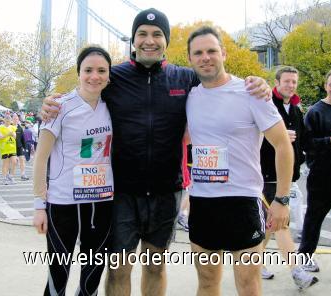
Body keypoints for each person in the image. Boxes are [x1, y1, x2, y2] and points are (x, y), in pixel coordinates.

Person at [41, 8, 271, 296]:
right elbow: (86, 89)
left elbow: (220, 79)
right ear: (133, 40)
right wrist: (52, 102)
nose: (149, 40)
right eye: (142, 34)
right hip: (123, 193)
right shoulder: (115, 78)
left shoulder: (185, 78)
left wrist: (257, 83)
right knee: (119, 268)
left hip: (166, 192)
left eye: (157, 34)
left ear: (166, 40)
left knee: (154, 266)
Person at [186, 26, 293, 296]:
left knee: (248, 285)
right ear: (190, 59)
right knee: (207, 283)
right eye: (198, 53)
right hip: (202, 202)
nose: (205, 57)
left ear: (223, 53)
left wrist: (281, 200)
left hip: (242, 202)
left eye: (211, 50)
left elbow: (282, 144)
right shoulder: (189, 97)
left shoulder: (250, 91)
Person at [33, 45, 114, 296]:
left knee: (92, 277)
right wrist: (39, 205)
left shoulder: (113, 105)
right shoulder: (59, 106)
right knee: (58, 275)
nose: (94, 76)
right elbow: (40, 158)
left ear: (109, 76)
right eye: (88, 70)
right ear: (78, 72)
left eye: (101, 70)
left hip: (101, 202)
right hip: (63, 202)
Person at [259, 66, 318, 289]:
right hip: (267, 176)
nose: (291, 85)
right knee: (280, 224)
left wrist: (302, 159)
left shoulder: (295, 109)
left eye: (294, 81)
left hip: (287, 177)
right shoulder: (265, 104)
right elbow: (254, 136)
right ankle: (297, 272)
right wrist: (278, 136)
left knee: (268, 226)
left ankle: (255, 263)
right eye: (287, 81)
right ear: (276, 82)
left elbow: (303, 140)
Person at [299, 69, 331, 272]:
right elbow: (306, 144)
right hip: (321, 175)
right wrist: (330, 141)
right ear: (326, 86)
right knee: (314, 219)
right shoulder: (315, 112)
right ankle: (305, 258)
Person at [0, 115, 17, 185]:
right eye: (6, 120)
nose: (8, 122)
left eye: (9, 120)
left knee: (14, 162)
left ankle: (11, 176)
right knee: (6, 164)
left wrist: (12, 134)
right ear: (4, 120)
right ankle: (4, 178)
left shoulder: (13, 127)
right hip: (4, 148)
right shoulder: (0, 128)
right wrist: (7, 134)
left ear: (11, 121)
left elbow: (15, 136)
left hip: (12, 148)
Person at [12, 113, 29, 180]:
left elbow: (23, 139)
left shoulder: (20, 128)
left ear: (18, 119)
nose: (15, 120)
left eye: (16, 119)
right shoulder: (9, 127)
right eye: (14, 118)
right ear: (12, 119)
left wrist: (25, 148)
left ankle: (23, 174)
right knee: (14, 162)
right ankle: (11, 175)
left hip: (19, 146)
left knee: (22, 160)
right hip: (11, 147)